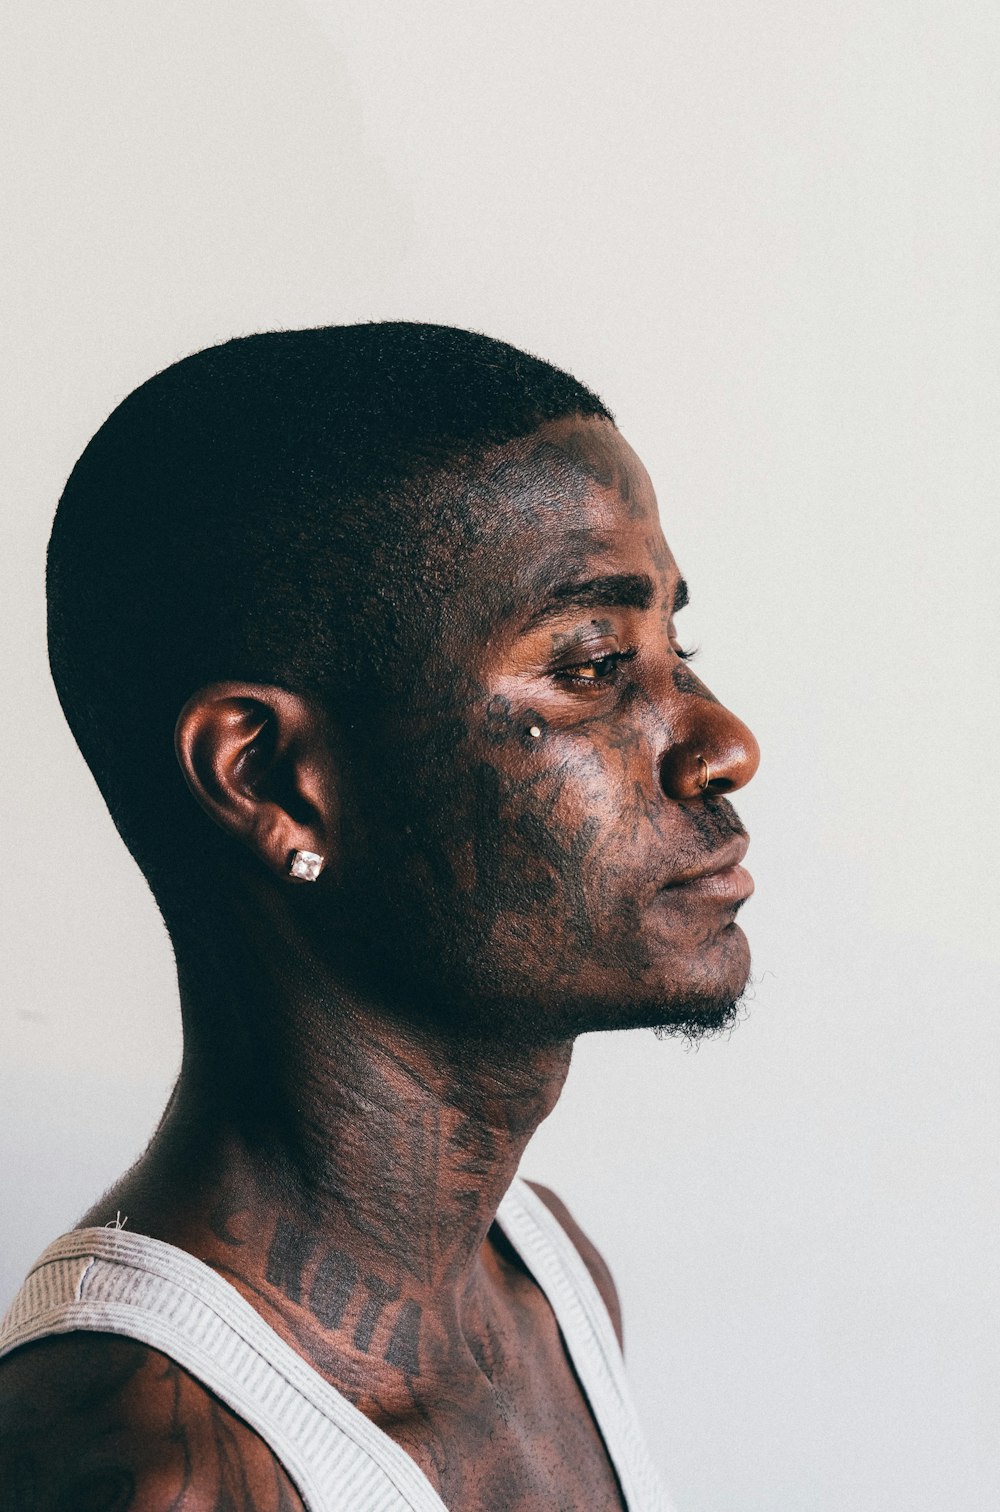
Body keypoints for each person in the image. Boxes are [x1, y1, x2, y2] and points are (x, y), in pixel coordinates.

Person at [0, 323, 759, 1510]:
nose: (722, 745)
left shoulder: (544, 1278)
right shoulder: (150, 1476)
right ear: (270, 783)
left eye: (679, 644)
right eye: (592, 663)